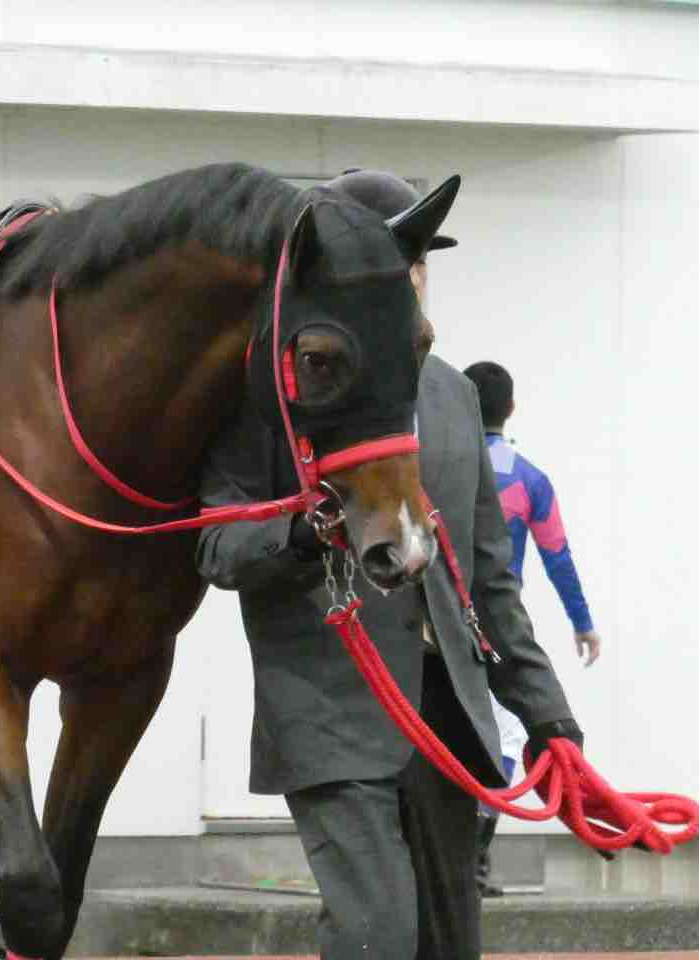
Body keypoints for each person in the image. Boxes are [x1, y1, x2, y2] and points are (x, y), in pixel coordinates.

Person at [195, 169, 583, 960]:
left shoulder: (453, 396)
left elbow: (491, 579)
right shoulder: (268, 388)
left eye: (417, 258)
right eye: (388, 258)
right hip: (331, 712)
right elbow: (216, 546)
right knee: (376, 936)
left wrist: (548, 715)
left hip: (450, 715)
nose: (409, 274)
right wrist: (301, 537)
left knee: (448, 946)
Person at [462, 359, 601, 897]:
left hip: (432, 619)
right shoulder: (530, 479)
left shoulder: (434, 467)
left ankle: (445, 858)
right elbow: (557, 555)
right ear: (511, 408)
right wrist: (582, 623)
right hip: (498, 625)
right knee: (505, 734)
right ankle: (471, 862)